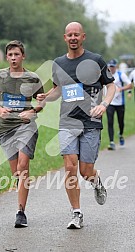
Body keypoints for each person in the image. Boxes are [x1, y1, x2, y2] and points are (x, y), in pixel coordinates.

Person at [37, 22, 116, 229]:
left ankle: (96, 181)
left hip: (91, 122)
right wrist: (46, 97)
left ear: (83, 37)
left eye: (76, 35)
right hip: (67, 122)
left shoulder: (95, 60)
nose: (73, 38)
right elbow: (58, 90)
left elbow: (110, 85)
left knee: (85, 171)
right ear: (65, 38)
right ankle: (76, 213)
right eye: (69, 35)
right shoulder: (59, 63)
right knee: (70, 167)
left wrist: (104, 104)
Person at [0, 40, 44, 228]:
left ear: (23, 56)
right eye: (10, 55)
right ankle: (22, 187)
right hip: (5, 128)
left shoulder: (32, 78)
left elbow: (41, 101)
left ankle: (21, 212)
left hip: (26, 126)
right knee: (17, 173)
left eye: (16, 54)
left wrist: (33, 110)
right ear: (6, 57)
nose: (13, 58)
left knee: (23, 164)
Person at [106, 59, 132, 150]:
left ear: (116, 67)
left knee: (121, 122)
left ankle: (120, 134)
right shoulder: (106, 75)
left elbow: (130, 85)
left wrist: (121, 89)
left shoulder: (121, 75)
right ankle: (111, 142)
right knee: (110, 122)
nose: (111, 68)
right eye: (110, 66)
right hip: (110, 102)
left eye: (113, 66)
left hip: (120, 103)